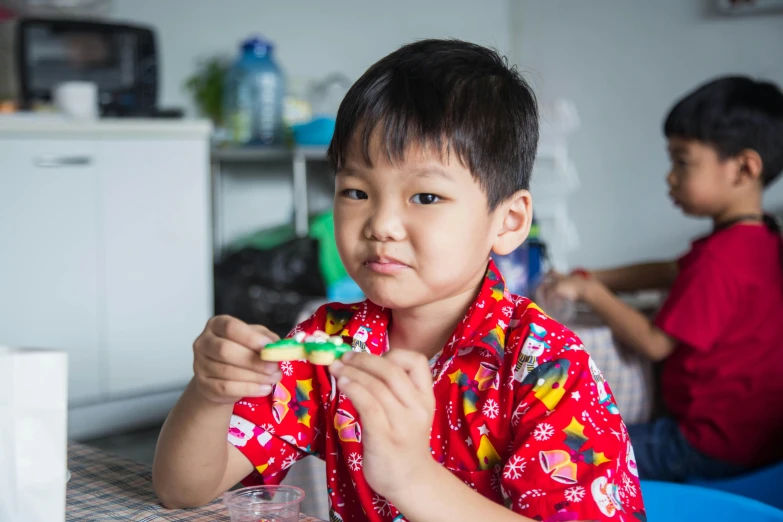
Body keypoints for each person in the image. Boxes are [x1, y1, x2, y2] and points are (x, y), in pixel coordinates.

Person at [152, 39, 645, 522]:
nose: (381, 224)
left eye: (425, 197)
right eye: (355, 190)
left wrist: (412, 477)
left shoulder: (547, 370)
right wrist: (210, 394)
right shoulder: (327, 348)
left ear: (509, 222)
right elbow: (182, 491)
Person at [541, 76, 783, 482]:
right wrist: (590, 274)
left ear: (744, 168)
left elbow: (654, 344)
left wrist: (592, 292)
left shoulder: (721, 260)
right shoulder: (756, 240)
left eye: (682, 161)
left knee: (565, 443)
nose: (670, 177)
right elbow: (670, 270)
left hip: (705, 444)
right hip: (755, 436)